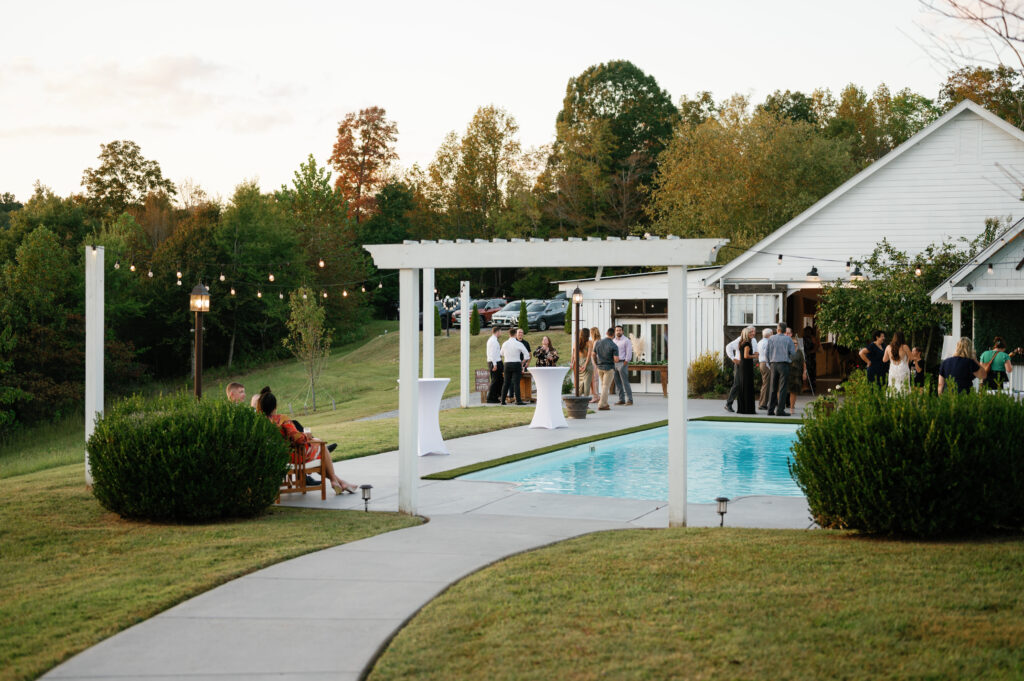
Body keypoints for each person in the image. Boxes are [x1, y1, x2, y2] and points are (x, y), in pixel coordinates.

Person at [256, 388, 357, 495]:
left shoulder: (257, 422)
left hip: (273, 457)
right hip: (290, 457)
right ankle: (335, 480)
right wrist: (307, 436)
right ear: (275, 406)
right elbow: (299, 439)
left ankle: (339, 482)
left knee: (319, 449)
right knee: (319, 444)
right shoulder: (282, 419)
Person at [764, 322, 795, 416]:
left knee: (773, 388)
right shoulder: (788, 339)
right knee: (782, 388)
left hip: (773, 364)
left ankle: (770, 410)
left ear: (777, 330)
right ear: (785, 330)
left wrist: (769, 364)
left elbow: (767, 353)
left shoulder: (771, 338)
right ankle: (780, 410)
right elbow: (793, 353)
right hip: (784, 365)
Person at [724, 326, 755, 413]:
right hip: (740, 365)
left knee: (745, 385)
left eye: (754, 331)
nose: (753, 333)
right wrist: (733, 358)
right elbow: (728, 347)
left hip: (748, 365)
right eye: (751, 331)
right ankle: (728, 404)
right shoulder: (740, 340)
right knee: (737, 384)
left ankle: (746, 406)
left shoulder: (753, 340)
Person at [592, 327, 619, 411]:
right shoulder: (614, 345)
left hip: (600, 367)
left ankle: (605, 403)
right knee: (605, 386)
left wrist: (596, 363)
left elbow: (593, 354)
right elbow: (616, 359)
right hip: (609, 368)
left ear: (607, 333)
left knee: (603, 385)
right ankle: (602, 404)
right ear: (613, 335)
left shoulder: (598, 342)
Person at [500, 328, 529, 405]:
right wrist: (523, 362)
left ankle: (502, 400)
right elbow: (527, 355)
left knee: (506, 382)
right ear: (516, 334)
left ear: (509, 334)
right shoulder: (518, 344)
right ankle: (518, 400)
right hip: (516, 363)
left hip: (507, 364)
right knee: (516, 383)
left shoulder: (505, 343)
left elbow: (501, 354)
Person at [736, 327, 757, 415]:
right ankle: (748, 409)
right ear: (746, 334)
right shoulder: (747, 343)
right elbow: (746, 356)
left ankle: (742, 408)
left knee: (743, 386)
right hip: (746, 367)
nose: (752, 334)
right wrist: (755, 356)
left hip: (742, 366)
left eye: (752, 332)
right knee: (747, 386)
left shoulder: (741, 343)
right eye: (750, 333)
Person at [612, 325, 634, 406]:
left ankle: (630, 400)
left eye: (620, 330)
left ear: (623, 331)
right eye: (617, 330)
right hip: (614, 364)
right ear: (615, 332)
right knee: (617, 383)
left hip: (622, 363)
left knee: (625, 382)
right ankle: (621, 399)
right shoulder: (613, 341)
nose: (618, 331)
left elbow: (629, 353)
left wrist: (625, 363)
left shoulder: (626, 340)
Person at [571, 328, 595, 401]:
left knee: (580, 384)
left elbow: (574, 355)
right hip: (587, 364)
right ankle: (585, 402)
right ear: (588, 334)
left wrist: (575, 364)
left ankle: (578, 400)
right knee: (587, 384)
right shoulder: (590, 342)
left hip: (579, 362)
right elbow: (589, 355)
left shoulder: (576, 343)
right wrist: (585, 365)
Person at [788, 335, 807, 412]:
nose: (794, 344)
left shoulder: (799, 352)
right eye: (792, 343)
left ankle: (792, 407)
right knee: (784, 390)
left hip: (797, 374)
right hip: (788, 373)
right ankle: (781, 406)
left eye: (795, 343)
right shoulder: (786, 351)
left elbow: (804, 363)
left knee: (794, 391)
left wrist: (804, 373)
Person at [485, 326, 503, 403]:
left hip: (495, 361)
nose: (501, 333)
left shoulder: (493, 340)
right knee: (495, 380)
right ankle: (490, 397)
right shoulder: (493, 341)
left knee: (499, 380)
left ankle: (496, 396)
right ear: (497, 332)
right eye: (500, 331)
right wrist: (495, 364)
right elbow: (492, 354)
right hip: (494, 362)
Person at [757, 328, 773, 410]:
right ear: (769, 334)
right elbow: (767, 354)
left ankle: (762, 402)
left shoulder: (760, 342)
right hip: (766, 364)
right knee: (766, 384)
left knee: (765, 383)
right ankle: (763, 404)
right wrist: (769, 365)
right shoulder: (767, 342)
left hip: (761, 363)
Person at [802, 326, 818, 394]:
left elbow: (816, 346)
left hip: (811, 357)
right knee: (805, 371)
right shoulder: (803, 338)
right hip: (805, 356)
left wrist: (812, 351)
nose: (807, 332)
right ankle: (806, 386)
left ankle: (812, 386)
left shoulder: (812, 337)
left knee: (811, 371)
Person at [589, 327, 601, 398]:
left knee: (595, 379)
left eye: (591, 333)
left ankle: (596, 396)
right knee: (594, 379)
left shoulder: (596, 342)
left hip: (595, 361)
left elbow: (594, 353)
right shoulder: (595, 341)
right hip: (593, 361)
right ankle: (595, 395)